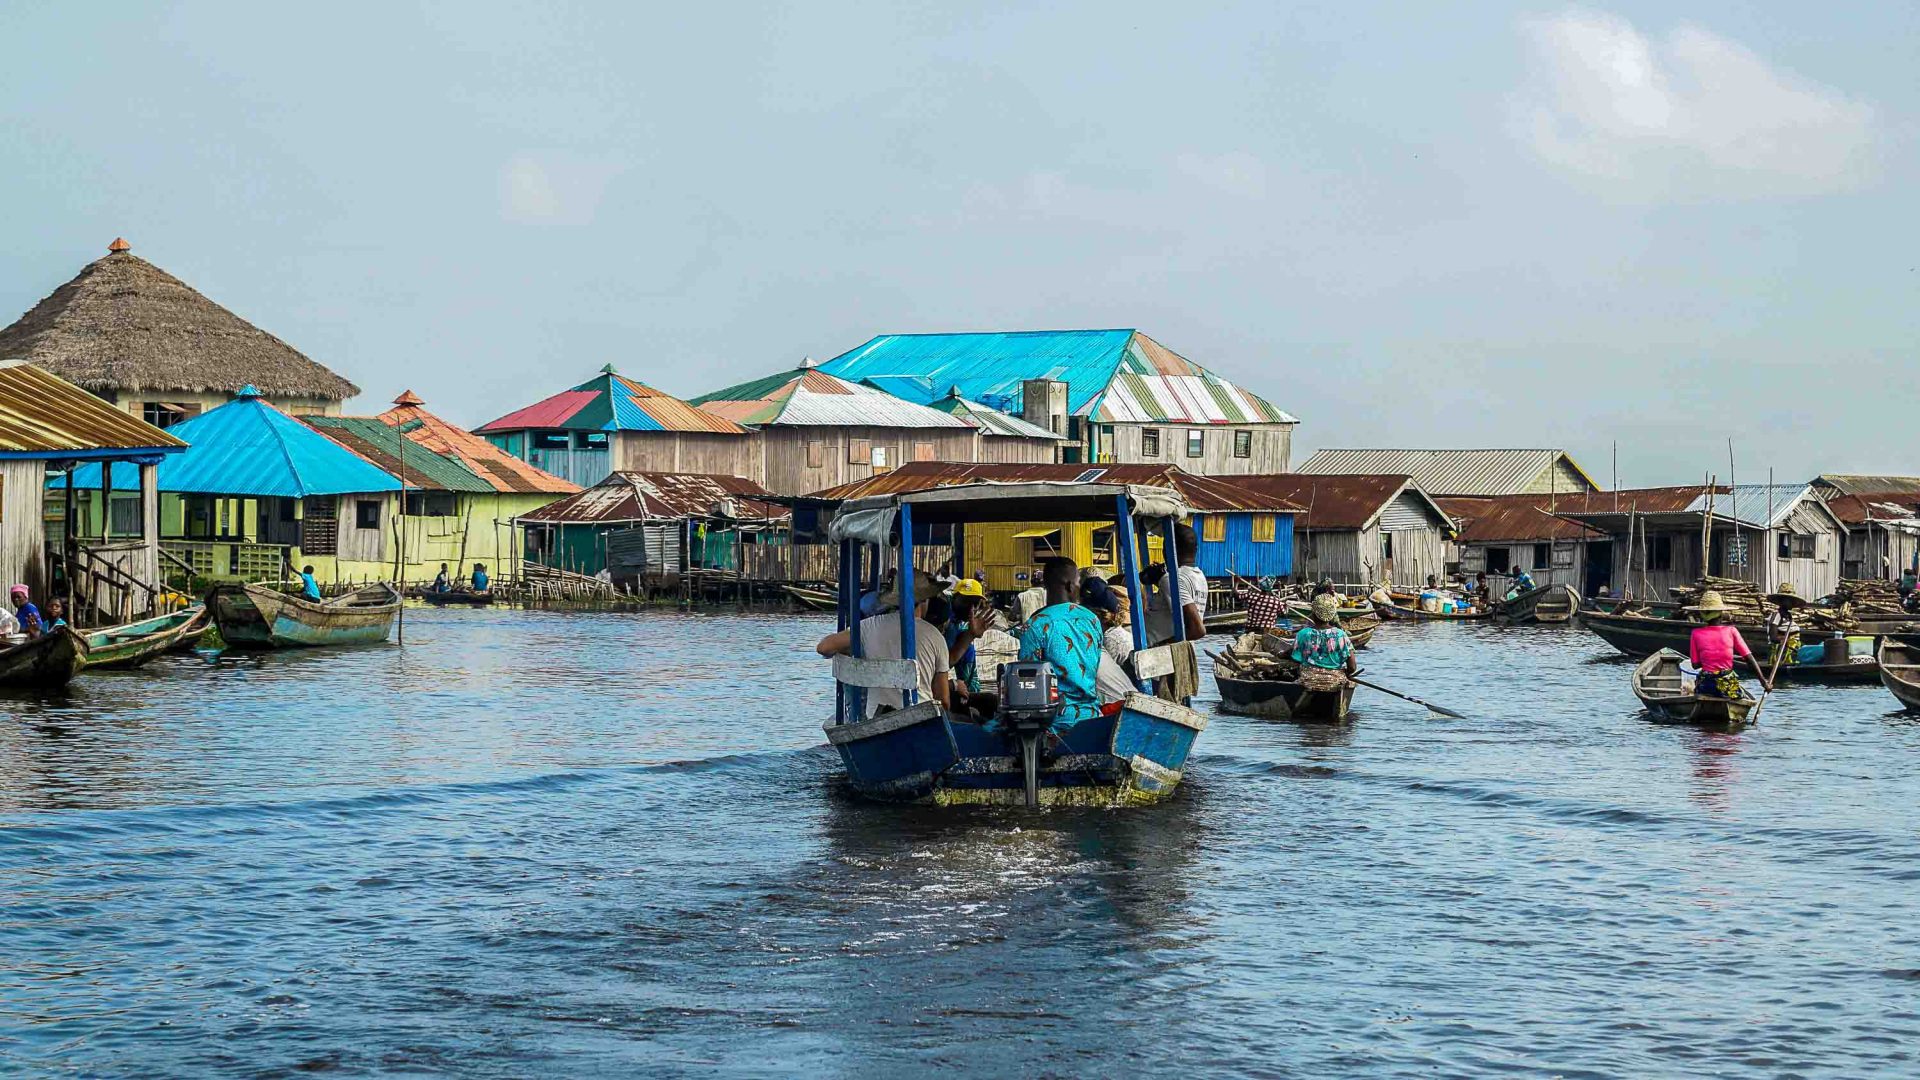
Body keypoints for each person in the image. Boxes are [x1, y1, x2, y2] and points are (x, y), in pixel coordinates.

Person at [816, 577, 951, 716]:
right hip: (922, 717)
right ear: (924, 600)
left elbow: (823, 648)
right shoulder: (936, 636)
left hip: (876, 716)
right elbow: (944, 701)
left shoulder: (870, 626)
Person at [1016, 557, 1104, 728]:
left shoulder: (1035, 625)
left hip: (1054, 723)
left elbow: (1027, 684)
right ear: (1070, 585)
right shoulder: (1092, 620)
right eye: (1079, 582)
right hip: (1092, 716)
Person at [1686, 590, 1769, 698]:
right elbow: (1749, 658)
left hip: (1706, 685)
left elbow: (1695, 665)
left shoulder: (1695, 633)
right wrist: (1764, 683)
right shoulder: (1732, 631)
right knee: (1740, 695)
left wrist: (1709, 659)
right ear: (1721, 613)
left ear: (1702, 614)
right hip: (1727, 685)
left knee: (1698, 685)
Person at [1143, 524, 1207, 645]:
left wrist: (1161, 645)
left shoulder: (1172, 579)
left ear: (1167, 549)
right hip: (1181, 652)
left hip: (1161, 655)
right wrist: (1160, 579)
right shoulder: (1199, 576)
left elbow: (1198, 630)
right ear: (1196, 549)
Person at [1292, 594, 1359, 687]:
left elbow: (1296, 659)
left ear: (1313, 614)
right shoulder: (1341, 635)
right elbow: (1352, 667)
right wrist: (1345, 674)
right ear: (1332, 615)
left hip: (1308, 681)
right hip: (1335, 682)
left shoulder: (1303, 633)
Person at [1765, 585, 1805, 666]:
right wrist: (1786, 640)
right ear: (1782, 601)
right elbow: (1773, 637)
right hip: (1781, 656)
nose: (1792, 603)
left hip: (1792, 654)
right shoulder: (1776, 615)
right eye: (1790, 600)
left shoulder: (1788, 616)